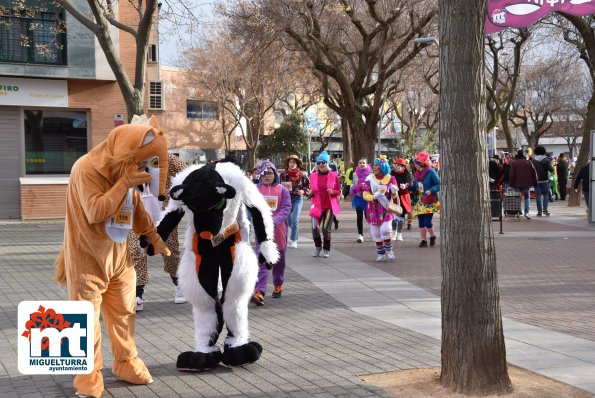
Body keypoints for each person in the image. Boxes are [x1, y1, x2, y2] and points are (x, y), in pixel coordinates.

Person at [53, 116, 170, 398]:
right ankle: (88, 375)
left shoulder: (125, 172)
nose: (144, 170)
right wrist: (124, 183)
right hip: (87, 259)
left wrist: (153, 237)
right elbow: (96, 210)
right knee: (84, 320)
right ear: (127, 153)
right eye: (143, 163)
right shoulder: (85, 168)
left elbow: (136, 208)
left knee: (124, 314)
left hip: (119, 259)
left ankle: (125, 361)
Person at [132, 153, 189, 311]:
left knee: (170, 250)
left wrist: (176, 190)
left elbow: (186, 171)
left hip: (162, 213)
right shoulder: (130, 157)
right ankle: (138, 294)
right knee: (136, 251)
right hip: (137, 213)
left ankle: (179, 284)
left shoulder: (165, 157)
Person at [251, 160, 292, 306]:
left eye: (269, 173)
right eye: (263, 174)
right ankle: (259, 292)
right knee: (262, 259)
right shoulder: (255, 190)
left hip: (278, 229)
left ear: (275, 174)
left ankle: (278, 283)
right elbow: (251, 207)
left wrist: (275, 220)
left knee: (279, 260)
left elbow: (286, 208)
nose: (266, 176)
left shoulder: (283, 190)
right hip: (261, 230)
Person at [362, 155, 399, 261]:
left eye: (377, 165)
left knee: (385, 230)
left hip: (386, 208)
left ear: (383, 166)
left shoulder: (391, 178)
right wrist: (373, 196)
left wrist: (394, 192)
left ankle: (389, 250)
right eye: (374, 165)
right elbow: (365, 194)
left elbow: (395, 196)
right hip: (373, 209)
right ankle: (381, 253)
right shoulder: (369, 178)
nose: (374, 167)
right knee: (376, 233)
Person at [308, 151, 341, 258]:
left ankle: (326, 249)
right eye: (318, 163)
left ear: (327, 163)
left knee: (325, 229)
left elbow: (339, 191)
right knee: (314, 228)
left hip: (329, 207)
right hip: (316, 206)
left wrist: (333, 192)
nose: (321, 164)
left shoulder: (333, 175)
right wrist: (309, 193)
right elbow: (311, 190)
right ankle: (318, 246)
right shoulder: (313, 176)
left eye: (323, 162)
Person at [279, 154, 310, 249]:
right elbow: (278, 186)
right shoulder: (283, 174)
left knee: (294, 219)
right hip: (287, 199)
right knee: (289, 220)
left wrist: (303, 191)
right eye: (290, 162)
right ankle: (295, 231)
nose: (292, 164)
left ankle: (294, 239)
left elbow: (308, 187)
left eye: (294, 162)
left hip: (298, 199)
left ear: (297, 164)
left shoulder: (302, 175)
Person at [411, 151, 440, 248]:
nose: (414, 165)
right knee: (421, 222)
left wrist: (431, 190)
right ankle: (423, 240)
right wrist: (407, 186)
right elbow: (415, 186)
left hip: (428, 200)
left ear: (421, 164)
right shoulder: (417, 173)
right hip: (419, 200)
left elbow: (439, 184)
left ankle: (432, 236)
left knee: (427, 222)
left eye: (415, 163)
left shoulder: (431, 171)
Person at [508, 149, 537, 219]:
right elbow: (534, 172)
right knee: (527, 197)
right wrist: (535, 182)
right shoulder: (528, 162)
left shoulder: (514, 163)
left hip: (516, 183)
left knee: (517, 198)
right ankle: (527, 212)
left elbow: (511, 174)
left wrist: (510, 184)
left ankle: (517, 212)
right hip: (527, 183)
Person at [391, 158, 413, 241]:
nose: (397, 167)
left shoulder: (407, 175)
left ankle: (399, 234)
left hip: (403, 196)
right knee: (394, 215)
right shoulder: (392, 173)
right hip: (394, 196)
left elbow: (410, 185)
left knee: (402, 215)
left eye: (399, 165)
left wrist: (406, 186)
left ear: (403, 167)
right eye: (396, 165)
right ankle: (394, 232)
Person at [350, 158, 371, 243]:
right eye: (360, 163)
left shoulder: (370, 174)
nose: (362, 164)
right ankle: (360, 235)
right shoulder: (355, 174)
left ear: (366, 164)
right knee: (359, 217)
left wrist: (366, 187)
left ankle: (373, 231)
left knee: (368, 216)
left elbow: (372, 185)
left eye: (363, 163)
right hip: (358, 197)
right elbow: (353, 184)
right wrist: (354, 188)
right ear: (357, 164)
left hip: (367, 198)